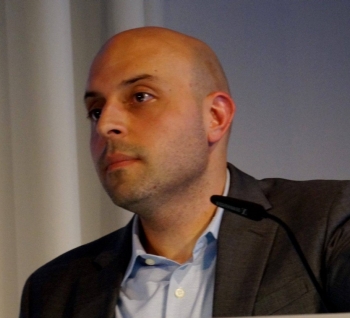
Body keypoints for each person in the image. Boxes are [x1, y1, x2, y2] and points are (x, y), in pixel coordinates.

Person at [20, 27, 350, 318]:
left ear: (215, 117)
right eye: (95, 110)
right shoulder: (55, 289)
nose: (106, 125)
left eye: (140, 97)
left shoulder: (326, 222)